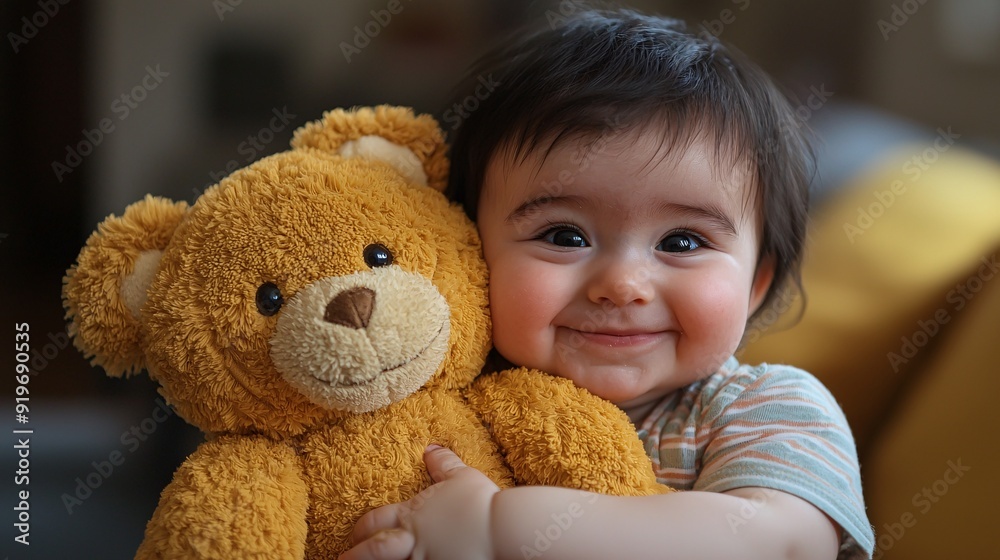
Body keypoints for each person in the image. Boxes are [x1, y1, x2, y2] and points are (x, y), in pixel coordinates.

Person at [341, 7, 875, 560]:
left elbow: (781, 541)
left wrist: (499, 528)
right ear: (470, 250)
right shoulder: (431, 398)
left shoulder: (762, 407)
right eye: (565, 236)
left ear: (756, 284)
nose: (622, 285)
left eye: (682, 242)